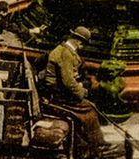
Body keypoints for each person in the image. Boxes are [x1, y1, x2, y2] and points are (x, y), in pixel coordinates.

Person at [42, 26, 111, 155]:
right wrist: (82, 93)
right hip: (60, 96)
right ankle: (98, 148)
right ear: (78, 41)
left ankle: (86, 147)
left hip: (60, 93)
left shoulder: (65, 50)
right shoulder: (66, 53)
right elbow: (68, 82)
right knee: (90, 110)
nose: (82, 47)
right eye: (83, 44)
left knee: (89, 108)